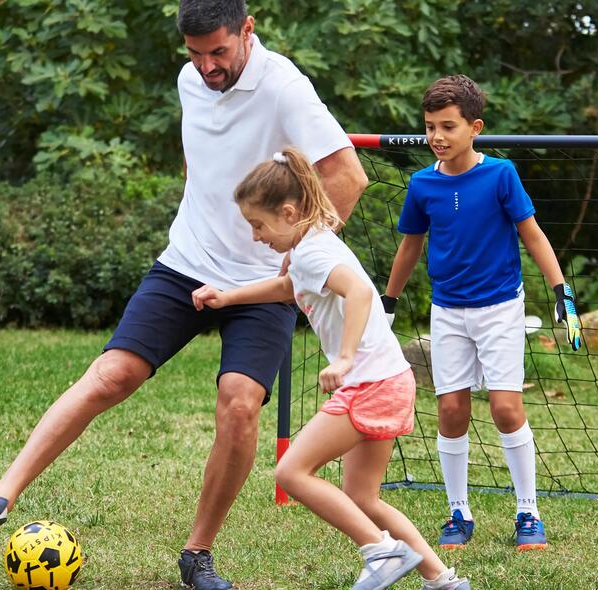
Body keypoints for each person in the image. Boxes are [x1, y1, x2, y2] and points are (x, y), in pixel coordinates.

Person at [0, 2, 367, 588]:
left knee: (241, 404)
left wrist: (301, 258)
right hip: (186, 263)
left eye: (218, 51)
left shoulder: (285, 87)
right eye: (194, 54)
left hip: (261, 281)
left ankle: (197, 554)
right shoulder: (189, 79)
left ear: (248, 30)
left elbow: (348, 175)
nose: (206, 66)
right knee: (110, 375)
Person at [194, 147, 470, 590]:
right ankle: (443, 581)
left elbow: (360, 292)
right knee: (363, 498)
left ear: (288, 212)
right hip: (391, 379)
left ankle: (380, 553)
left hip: (369, 383)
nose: (255, 236)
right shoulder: (311, 244)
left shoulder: (312, 253)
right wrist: (227, 297)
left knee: (290, 473)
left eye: (258, 225)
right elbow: (289, 287)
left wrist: (343, 358)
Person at [381, 74, 582, 551]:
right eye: (430, 126)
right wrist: (387, 303)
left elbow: (532, 233)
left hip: (499, 309)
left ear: (475, 127)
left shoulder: (500, 174)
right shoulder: (422, 183)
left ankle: (528, 512)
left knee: (506, 407)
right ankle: (458, 511)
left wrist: (561, 290)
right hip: (447, 311)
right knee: (451, 410)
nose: (437, 137)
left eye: (448, 126)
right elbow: (410, 247)